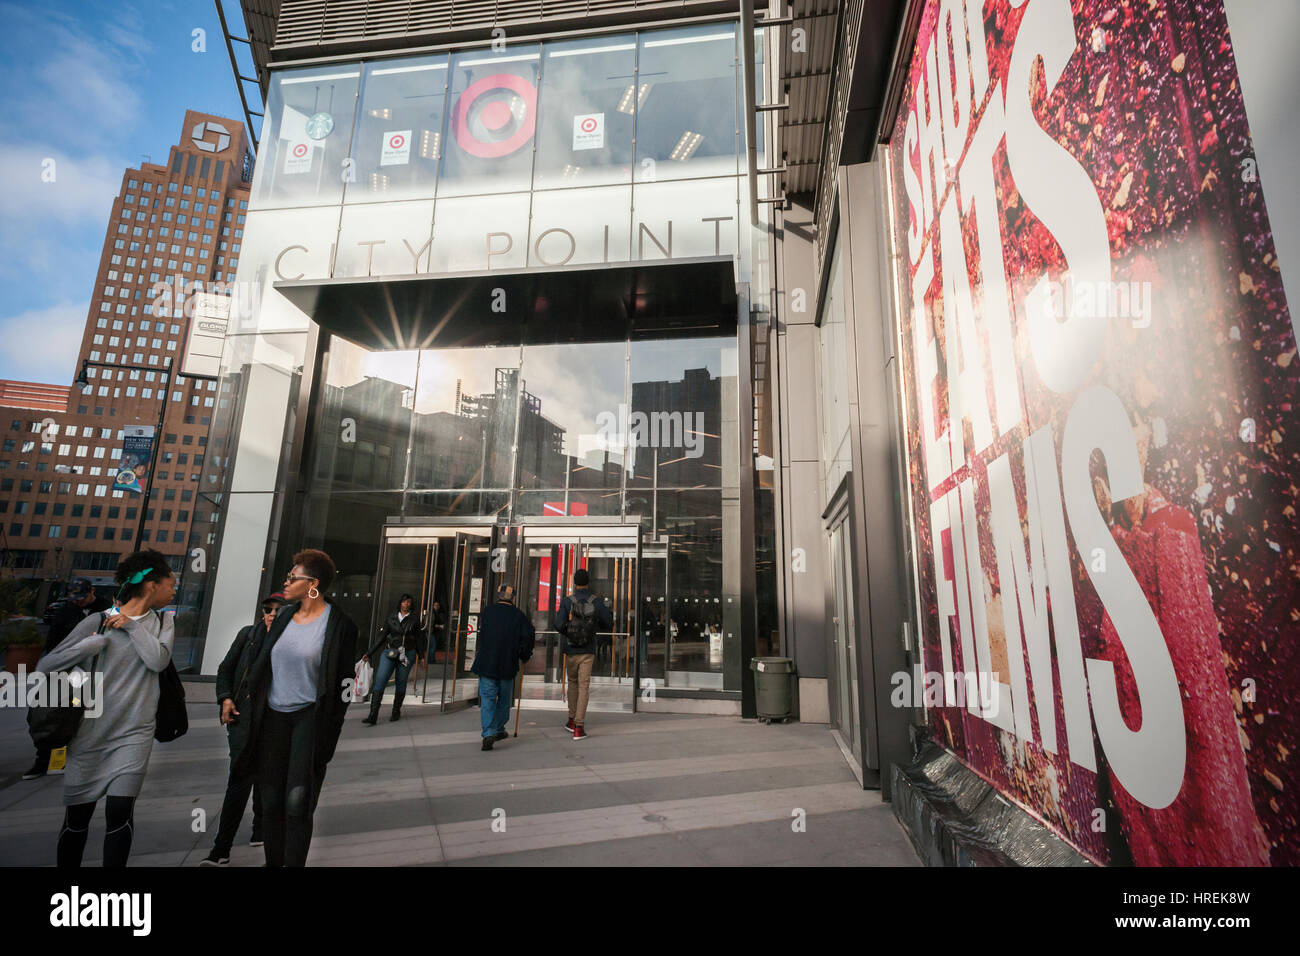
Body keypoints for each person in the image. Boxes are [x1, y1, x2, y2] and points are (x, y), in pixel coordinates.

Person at [36, 551, 176, 867]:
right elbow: (46, 666)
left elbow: (158, 660)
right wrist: (86, 648)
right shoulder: (96, 622)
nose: (174, 590)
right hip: (88, 735)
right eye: (171, 583)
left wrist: (131, 627)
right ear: (152, 585)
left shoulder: (164, 622)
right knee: (77, 818)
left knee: (119, 813)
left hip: (134, 733)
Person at [231, 549, 357, 867]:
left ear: (312, 583)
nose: (286, 582)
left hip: (308, 719)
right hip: (273, 716)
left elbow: (343, 686)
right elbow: (257, 664)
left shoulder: (340, 625)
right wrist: (233, 696)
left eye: (293, 577)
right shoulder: (283, 616)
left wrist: (330, 735)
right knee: (271, 799)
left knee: (297, 800)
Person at [201, 591, 285, 866]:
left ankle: (260, 829)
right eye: (267, 609)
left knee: (265, 778)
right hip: (243, 719)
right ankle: (220, 849)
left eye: (277, 611)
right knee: (239, 780)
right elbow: (225, 669)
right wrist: (225, 697)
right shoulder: (248, 636)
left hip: (273, 722)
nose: (271, 615)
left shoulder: (288, 643)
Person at [23, 579, 112, 780]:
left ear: (92, 591)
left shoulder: (106, 609)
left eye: (82, 597)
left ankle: (72, 756)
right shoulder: (65, 611)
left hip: (92, 670)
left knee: (82, 713)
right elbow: (54, 642)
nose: (79, 602)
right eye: (75, 599)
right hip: (68, 669)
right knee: (51, 712)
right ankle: (43, 758)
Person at [471, 584, 535, 751]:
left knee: (487, 699)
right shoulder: (518, 616)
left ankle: (488, 732)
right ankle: (497, 728)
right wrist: (525, 656)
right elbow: (528, 636)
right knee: (504, 700)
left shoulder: (488, 611)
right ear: (513, 597)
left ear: (498, 595)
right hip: (507, 663)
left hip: (487, 662)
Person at [556, 568, 612, 741]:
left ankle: (571, 720)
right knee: (583, 686)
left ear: (574, 583)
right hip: (588, 650)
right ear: (589, 583)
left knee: (572, 683)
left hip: (571, 650)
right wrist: (591, 629)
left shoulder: (567, 601)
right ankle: (579, 728)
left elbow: (558, 624)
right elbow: (608, 622)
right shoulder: (596, 601)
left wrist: (571, 632)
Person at [361, 593, 427, 725]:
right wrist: (369, 652)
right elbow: (381, 636)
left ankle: (396, 711)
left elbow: (419, 639)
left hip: (407, 654)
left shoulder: (414, 619)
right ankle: (373, 715)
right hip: (390, 652)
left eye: (409, 602)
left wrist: (422, 657)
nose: (406, 604)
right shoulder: (391, 617)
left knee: (401, 681)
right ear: (400, 603)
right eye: (404, 602)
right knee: (380, 680)